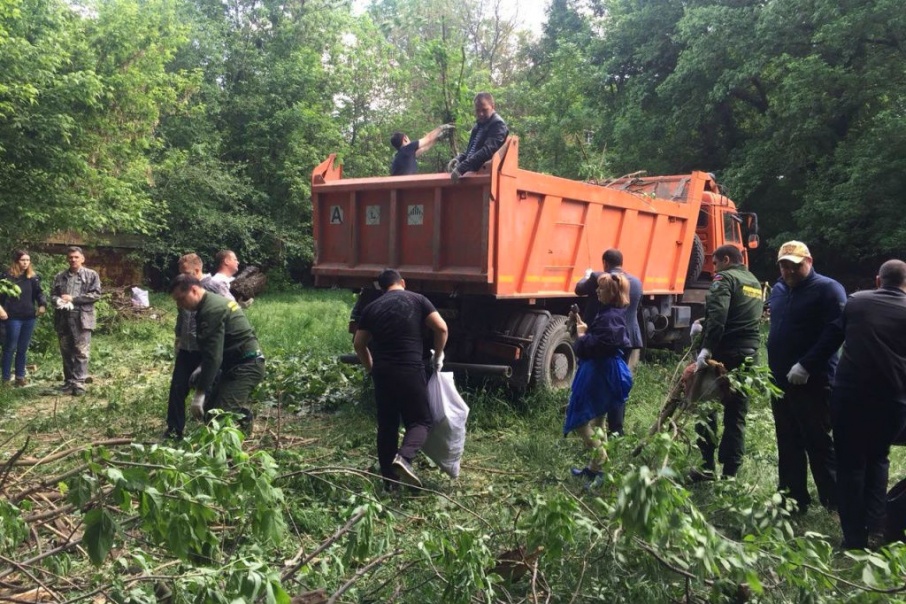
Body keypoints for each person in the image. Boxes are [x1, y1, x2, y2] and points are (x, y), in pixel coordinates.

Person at [831, 260, 906, 550]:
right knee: (878, 458)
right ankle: (877, 528)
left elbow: (836, 336)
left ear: (878, 280)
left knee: (850, 465)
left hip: (849, 397)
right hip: (892, 400)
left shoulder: (856, 302)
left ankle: (853, 538)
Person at [766, 241, 845, 514]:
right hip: (779, 380)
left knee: (818, 441)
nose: (789, 270)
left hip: (813, 380)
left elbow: (836, 331)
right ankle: (792, 498)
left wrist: (807, 364)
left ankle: (834, 501)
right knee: (787, 440)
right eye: (784, 265)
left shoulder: (828, 289)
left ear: (809, 261)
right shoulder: (778, 289)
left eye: (795, 265)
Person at [353, 269, 448, 489]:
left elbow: (359, 344)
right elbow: (441, 328)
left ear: (381, 287)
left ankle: (389, 482)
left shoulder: (371, 308)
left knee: (387, 425)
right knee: (421, 421)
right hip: (410, 369)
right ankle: (404, 458)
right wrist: (439, 356)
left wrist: (371, 369)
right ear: (403, 282)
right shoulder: (418, 300)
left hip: (383, 372)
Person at [691, 244, 762, 480]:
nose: (713, 268)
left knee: (706, 409)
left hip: (725, 355)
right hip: (750, 356)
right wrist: (704, 320)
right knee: (736, 414)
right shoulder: (752, 280)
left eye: (715, 262)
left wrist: (706, 349)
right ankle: (730, 474)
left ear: (727, 259)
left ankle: (706, 467)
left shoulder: (725, 278)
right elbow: (739, 315)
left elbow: (720, 316)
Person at [169, 274, 265, 433]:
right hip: (233, 365)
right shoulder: (207, 304)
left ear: (194, 290)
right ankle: (243, 417)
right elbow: (212, 347)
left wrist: (200, 393)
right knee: (209, 413)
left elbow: (213, 357)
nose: (180, 305)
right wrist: (202, 367)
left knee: (218, 418)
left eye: (181, 299)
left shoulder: (211, 310)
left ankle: (241, 433)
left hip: (246, 366)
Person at [564, 273, 633, 479]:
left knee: (579, 420)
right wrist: (587, 330)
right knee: (599, 420)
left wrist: (582, 336)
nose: (596, 291)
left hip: (599, 371)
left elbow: (598, 346)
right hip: (606, 370)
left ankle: (601, 461)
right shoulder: (613, 314)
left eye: (601, 288)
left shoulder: (609, 317)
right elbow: (603, 339)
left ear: (611, 293)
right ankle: (596, 470)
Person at [574, 248, 643, 434]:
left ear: (605, 262)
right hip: (628, 339)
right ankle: (616, 429)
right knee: (617, 383)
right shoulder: (635, 282)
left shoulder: (599, 277)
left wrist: (586, 276)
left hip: (603, 339)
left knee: (596, 380)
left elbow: (578, 289)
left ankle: (592, 425)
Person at [164, 254, 220, 439]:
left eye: (186, 273)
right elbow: (181, 316)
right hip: (186, 347)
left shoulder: (213, 286)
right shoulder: (182, 289)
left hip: (205, 349)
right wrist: (178, 338)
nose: (182, 278)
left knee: (208, 390)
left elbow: (228, 309)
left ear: (197, 271)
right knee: (177, 388)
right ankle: (174, 429)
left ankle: (211, 431)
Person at [50, 247, 101, 395]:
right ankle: (69, 382)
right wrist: (58, 300)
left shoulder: (91, 275)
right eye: (71, 257)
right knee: (66, 351)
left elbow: (96, 295)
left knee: (81, 351)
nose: (73, 259)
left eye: (76, 257)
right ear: (67, 259)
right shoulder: (60, 276)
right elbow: (52, 295)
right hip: (63, 318)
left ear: (82, 259)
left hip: (82, 318)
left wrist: (74, 299)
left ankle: (79, 383)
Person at [0, 251, 47, 387]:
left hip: (29, 317)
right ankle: (6, 379)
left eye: (27, 260)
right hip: (12, 317)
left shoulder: (32, 277)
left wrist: (42, 305)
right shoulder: (6, 277)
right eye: (22, 260)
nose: (25, 262)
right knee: (10, 347)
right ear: (16, 261)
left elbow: (39, 293)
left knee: (23, 348)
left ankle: (20, 377)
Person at [448, 92, 508, 184]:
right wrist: (459, 159)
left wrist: (461, 168)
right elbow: (471, 150)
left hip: (485, 176)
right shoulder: (478, 126)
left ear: (493, 106)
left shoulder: (498, 125)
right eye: (477, 110)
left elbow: (487, 151)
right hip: (472, 174)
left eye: (484, 110)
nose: (480, 114)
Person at [389, 124, 455, 176]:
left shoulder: (400, 156)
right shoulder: (408, 148)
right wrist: (442, 127)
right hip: (407, 187)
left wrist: (437, 139)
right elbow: (428, 138)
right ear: (405, 139)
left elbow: (424, 148)